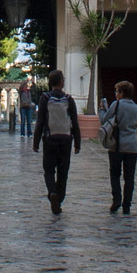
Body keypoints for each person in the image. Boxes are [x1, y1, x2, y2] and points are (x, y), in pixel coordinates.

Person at [32, 74, 82, 213]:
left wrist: (36, 142)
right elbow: (75, 123)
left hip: (50, 139)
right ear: (61, 82)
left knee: (48, 170)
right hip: (66, 139)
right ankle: (59, 199)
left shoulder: (45, 98)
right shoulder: (69, 99)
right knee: (63, 171)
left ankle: (52, 192)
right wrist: (77, 143)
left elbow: (40, 122)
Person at [101, 81, 137, 214]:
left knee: (115, 174)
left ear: (122, 93)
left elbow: (104, 120)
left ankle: (117, 199)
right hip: (132, 146)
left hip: (117, 145)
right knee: (129, 177)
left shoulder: (116, 104)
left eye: (117, 91)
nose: (116, 94)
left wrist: (102, 109)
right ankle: (127, 205)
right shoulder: (136, 108)